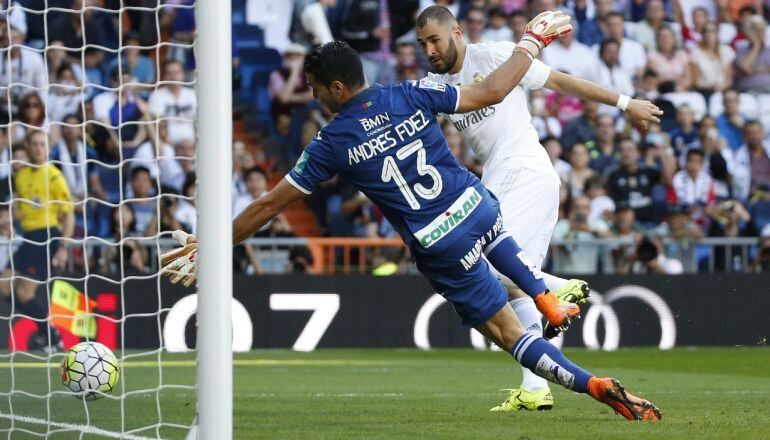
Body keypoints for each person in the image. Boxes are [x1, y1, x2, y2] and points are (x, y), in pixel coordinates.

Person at [163, 21, 662, 420]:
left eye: (317, 90)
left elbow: (269, 205)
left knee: (511, 335)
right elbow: (489, 93)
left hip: (439, 241)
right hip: (475, 204)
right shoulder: (406, 92)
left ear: (337, 87)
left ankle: (592, 384)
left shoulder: (332, 141)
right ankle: (545, 293)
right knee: (494, 231)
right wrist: (530, 42)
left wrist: (212, 244)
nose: (315, 98)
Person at [415, 6, 661, 411]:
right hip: (511, 179)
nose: (429, 49)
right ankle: (534, 388)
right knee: (514, 296)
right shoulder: (435, 84)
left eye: (435, 40)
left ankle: (552, 284)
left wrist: (624, 102)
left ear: (456, 33)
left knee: (487, 266)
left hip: (524, 172)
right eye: (422, 43)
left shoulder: (495, 55)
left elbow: (561, 82)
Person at [0, 130, 74, 352]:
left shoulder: (53, 176)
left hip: (46, 236)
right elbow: (21, 211)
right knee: (4, 286)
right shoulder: (21, 176)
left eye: (42, 144)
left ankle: (51, 336)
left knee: (23, 292)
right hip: (27, 237)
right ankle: (48, 334)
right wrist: (11, 219)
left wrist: (63, 247)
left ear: (48, 148)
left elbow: (68, 214)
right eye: (34, 144)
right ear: (29, 147)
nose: (38, 148)